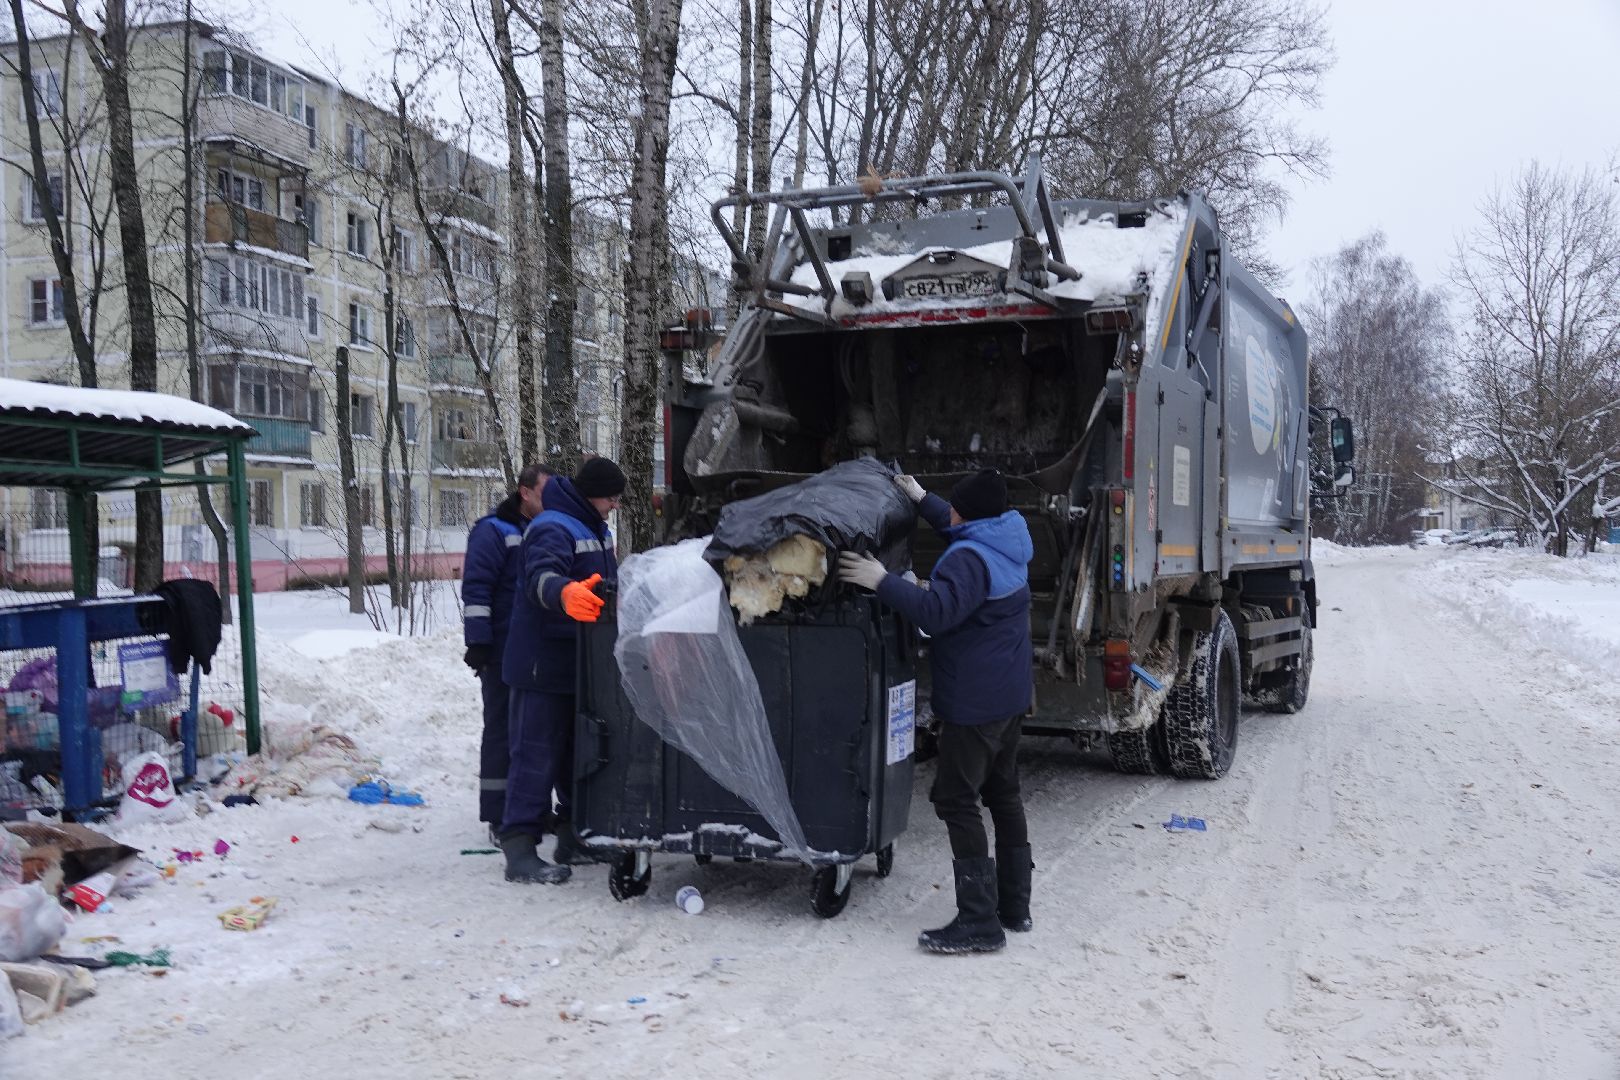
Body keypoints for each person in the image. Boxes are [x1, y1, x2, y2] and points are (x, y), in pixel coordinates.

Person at [837, 468, 1034, 954]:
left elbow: (936, 613)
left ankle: (979, 921)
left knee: (956, 799)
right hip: (1010, 696)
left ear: (972, 515)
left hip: (976, 703)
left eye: (957, 508)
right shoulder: (1006, 538)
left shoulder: (968, 560)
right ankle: (1014, 907)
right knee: (1003, 794)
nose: (952, 515)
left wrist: (882, 581)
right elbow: (957, 525)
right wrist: (922, 497)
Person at [498, 456, 624, 884]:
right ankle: (519, 850)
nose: (615, 505)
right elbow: (539, 578)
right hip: (542, 664)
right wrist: (564, 592)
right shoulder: (553, 526)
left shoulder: (593, 527)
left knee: (578, 754)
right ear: (592, 495)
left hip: (578, 662)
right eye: (611, 498)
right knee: (535, 756)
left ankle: (574, 837)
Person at [462, 462, 552, 842]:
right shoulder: (493, 530)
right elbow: (477, 589)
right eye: (544, 493)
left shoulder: (544, 529)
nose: (550, 501)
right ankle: (499, 816)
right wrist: (478, 642)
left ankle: (530, 810)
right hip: (499, 649)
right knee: (501, 730)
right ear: (524, 492)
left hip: (532, 649)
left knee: (531, 734)